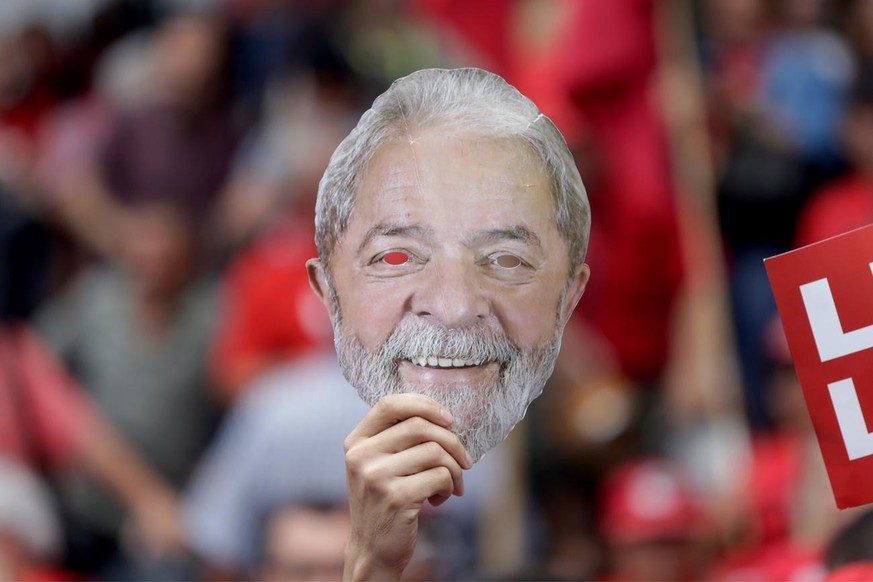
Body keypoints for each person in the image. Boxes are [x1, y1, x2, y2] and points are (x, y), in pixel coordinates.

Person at [305, 67, 591, 580]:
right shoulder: (284, 424)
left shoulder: (590, 459)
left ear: (570, 294)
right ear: (327, 290)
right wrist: (368, 563)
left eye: (506, 260)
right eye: (396, 257)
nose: (456, 305)